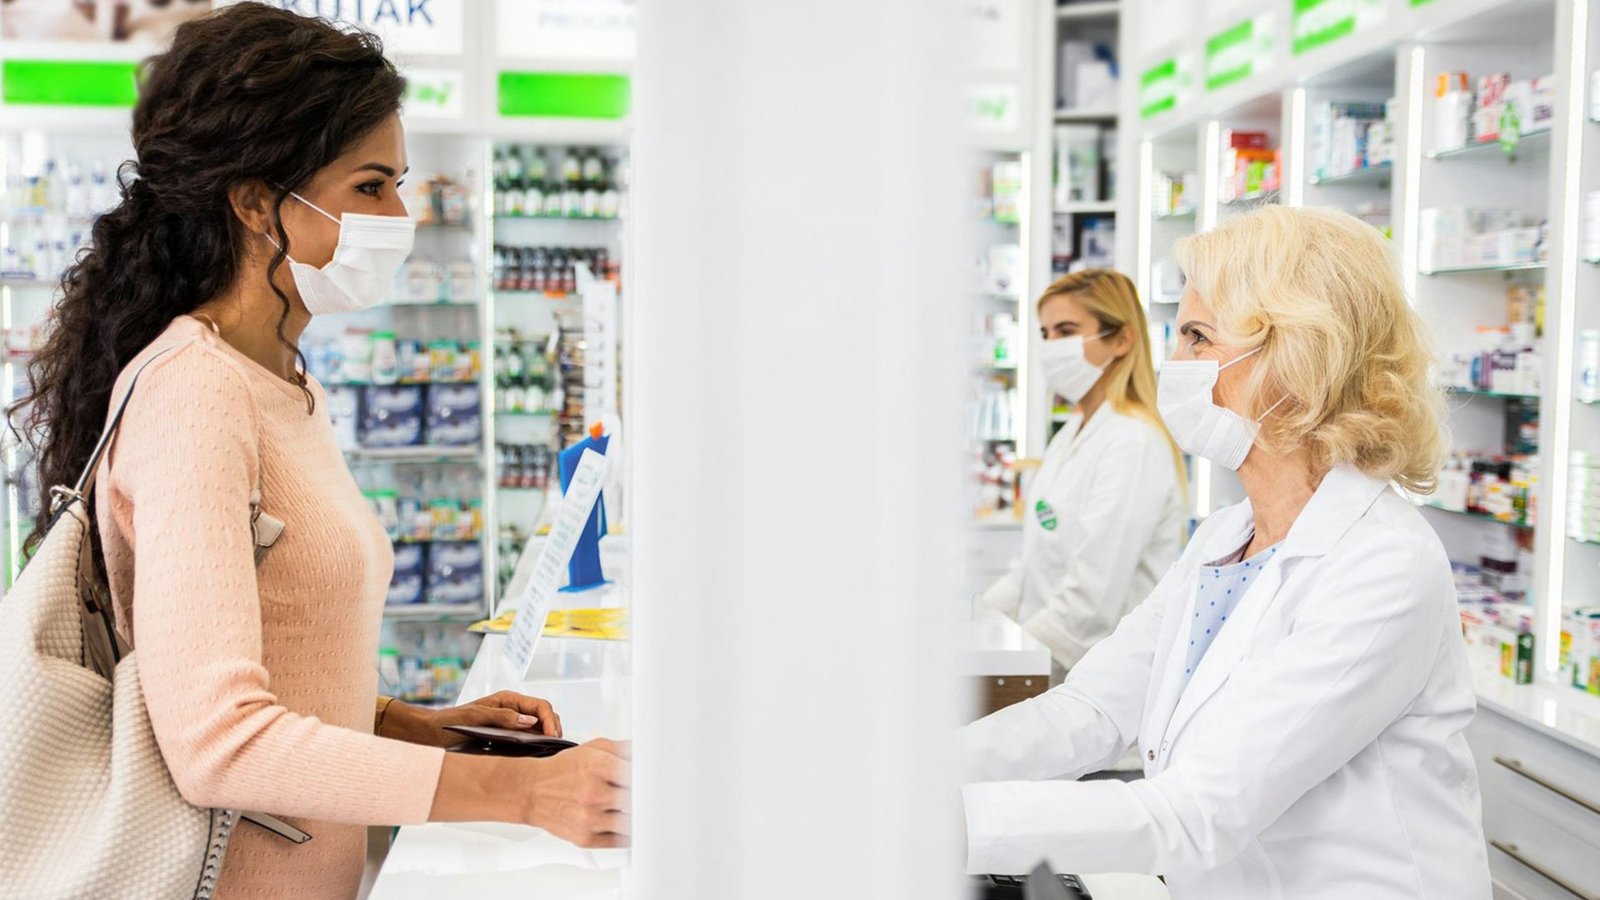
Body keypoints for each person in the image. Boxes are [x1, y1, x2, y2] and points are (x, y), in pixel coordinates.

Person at [16, 7, 627, 898]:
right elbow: (217, 740)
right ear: (258, 202)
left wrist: (413, 725)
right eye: (372, 187)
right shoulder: (196, 393)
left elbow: (275, 649)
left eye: (401, 185)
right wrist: (525, 791)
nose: (403, 216)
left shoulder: (278, 378)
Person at [958, 207, 1490, 899]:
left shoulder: (1382, 564)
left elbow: (1197, 811)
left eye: (1198, 337)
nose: (1175, 365)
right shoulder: (1228, 535)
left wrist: (936, 820)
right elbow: (1092, 709)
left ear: (1300, 357)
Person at [982, 270, 1186, 672]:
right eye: (1046, 334)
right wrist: (974, 630)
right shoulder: (1073, 431)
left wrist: (1011, 668)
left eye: (1067, 330)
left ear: (1122, 339)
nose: (1052, 346)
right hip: (1047, 667)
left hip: (1096, 679)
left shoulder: (1133, 442)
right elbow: (1026, 571)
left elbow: (1088, 604)